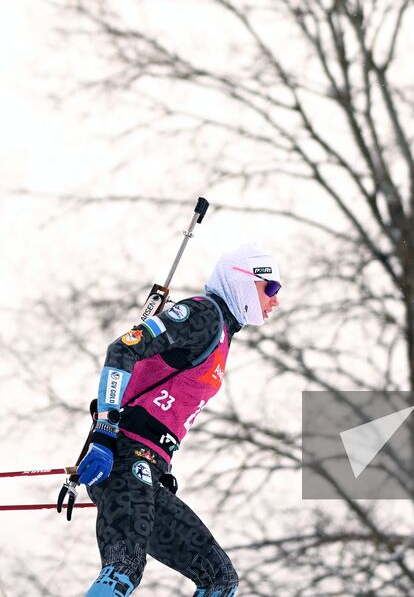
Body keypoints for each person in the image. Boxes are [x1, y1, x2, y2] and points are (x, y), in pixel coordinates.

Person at [71, 242, 283, 597]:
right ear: (244, 280)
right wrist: (105, 433)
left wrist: (162, 465)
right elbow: (123, 349)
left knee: (220, 580)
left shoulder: (223, 336)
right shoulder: (203, 315)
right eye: (270, 288)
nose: (275, 300)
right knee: (124, 568)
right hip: (123, 457)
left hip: (147, 466)